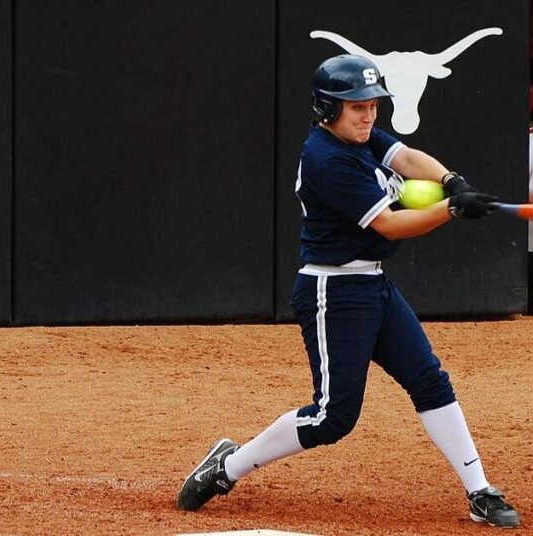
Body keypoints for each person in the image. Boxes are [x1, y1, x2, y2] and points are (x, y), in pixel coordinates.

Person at [177, 55, 521, 528]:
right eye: (355, 106)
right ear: (326, 109)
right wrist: (452, 212)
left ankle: (480, 490)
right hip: (333, 292)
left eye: (372, 104)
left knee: (429, 379)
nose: (368, 114)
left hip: (373, 284)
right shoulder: (326, 159)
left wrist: (450, 181)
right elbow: (390, 223)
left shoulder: (359, 138)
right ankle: (227, 467)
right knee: (332, 418)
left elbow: (404, 157)